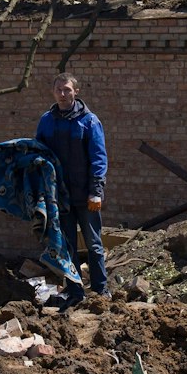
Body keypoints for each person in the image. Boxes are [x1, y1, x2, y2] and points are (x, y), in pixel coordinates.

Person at [36, 73, 108, 302]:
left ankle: (100, 291)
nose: (63, 94)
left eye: (67, 89)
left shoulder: (89, 121)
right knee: (67, 247)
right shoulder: (47, 121)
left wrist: (96, 192)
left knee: (94, 244)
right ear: (53, 92)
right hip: (60, 197)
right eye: (59, 89)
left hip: (86, 196)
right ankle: (75, 291)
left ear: (76, 91)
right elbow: (39, 154)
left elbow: (99, 158)